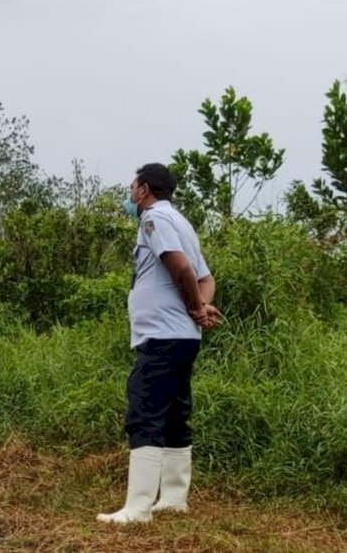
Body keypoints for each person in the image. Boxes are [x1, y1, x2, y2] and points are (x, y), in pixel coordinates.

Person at [97, 163, 221, 524]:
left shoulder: (153, 219)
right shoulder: (181, 221)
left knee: (145, 410)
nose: (130, 194)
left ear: (144, 190)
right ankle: (173, 497)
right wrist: (200, 308)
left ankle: (138, 507)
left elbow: (181, 268)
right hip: (182, 336)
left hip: (163, 335)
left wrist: (196, 306)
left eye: (132, 187)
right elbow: (205, 278)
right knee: (174, 413)